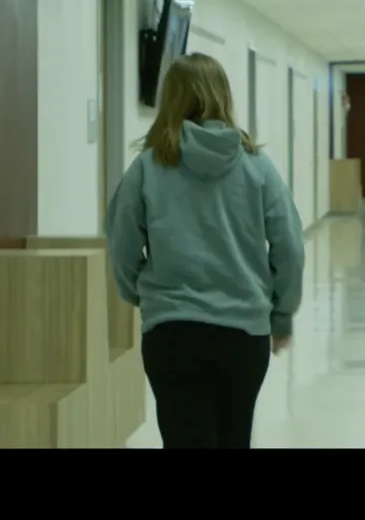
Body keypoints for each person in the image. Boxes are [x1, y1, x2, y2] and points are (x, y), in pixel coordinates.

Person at [105, 52, 305, 449]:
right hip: (243, 332)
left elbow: (120, 243)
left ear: (170, 99)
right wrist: (281, 313)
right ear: (224, 96)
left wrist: (142, 294)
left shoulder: (148, 166)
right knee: (234, 438)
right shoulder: (257, 165)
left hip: (172, 331)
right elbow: (290, 245)